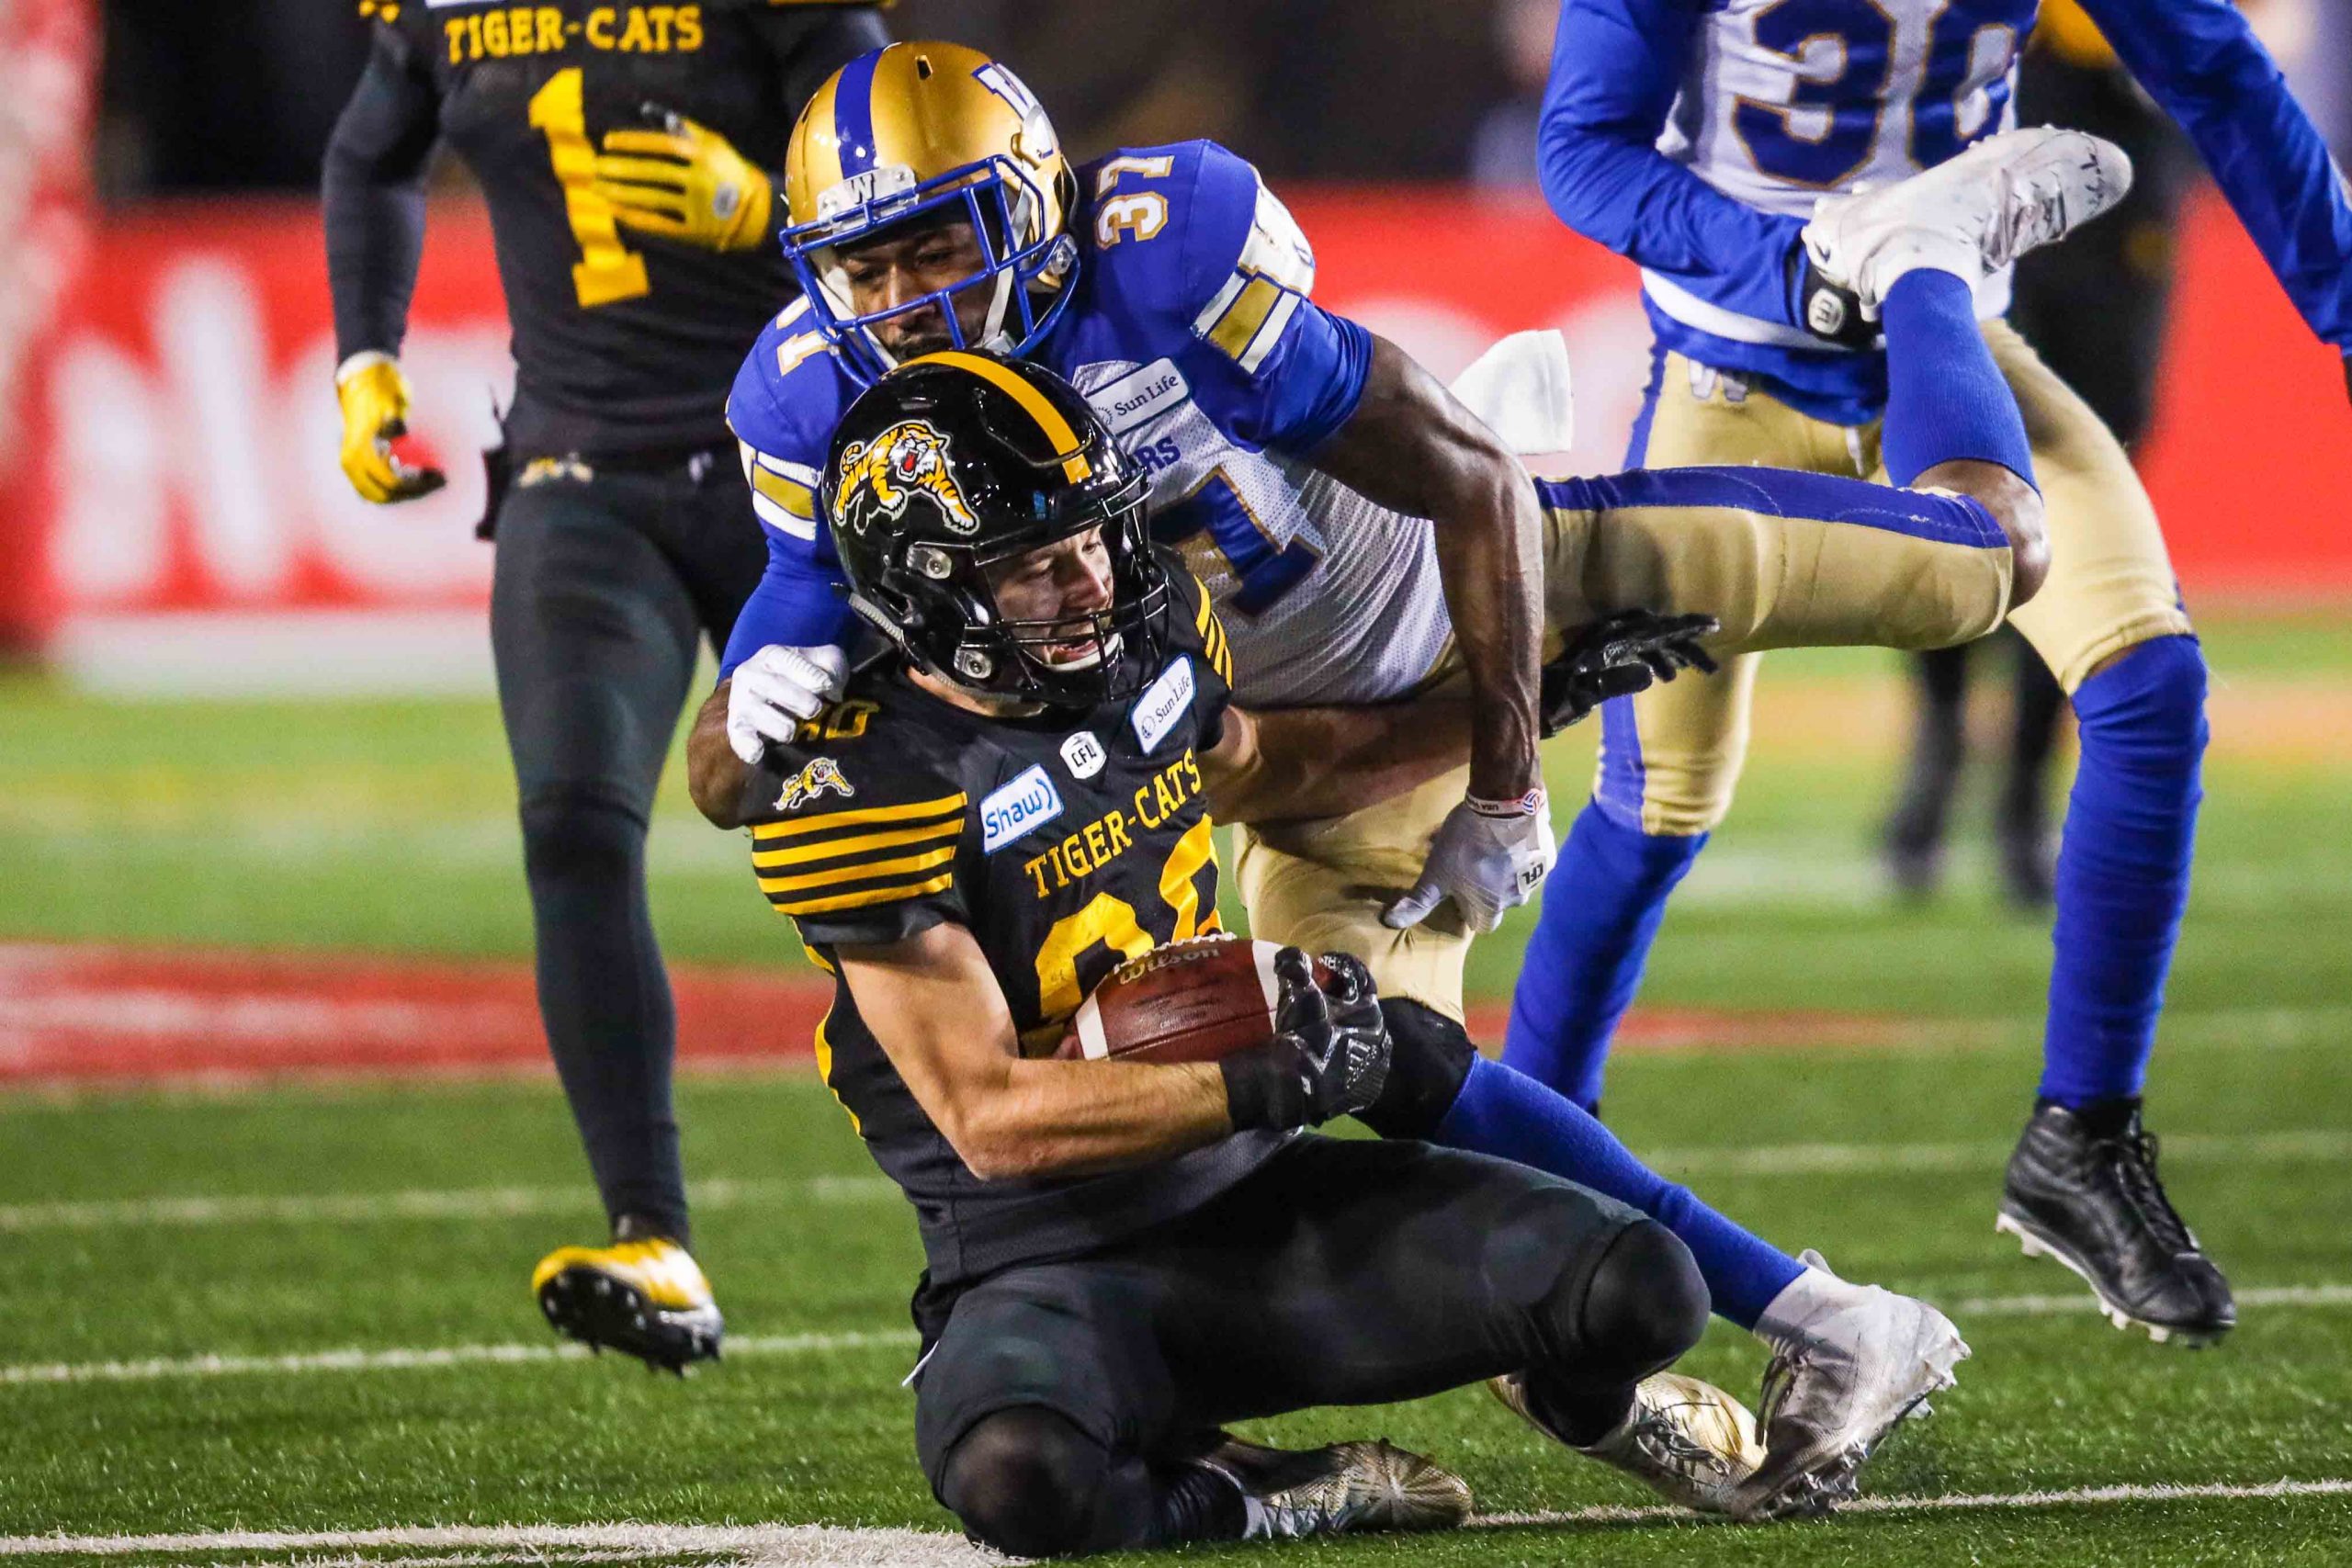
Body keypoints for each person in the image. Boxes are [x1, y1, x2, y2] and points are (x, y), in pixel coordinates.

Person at [729, 350, 1864, 1551]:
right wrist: (1272, 1077)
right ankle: (1257, 1488)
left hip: (1255, 1192)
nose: (1087, 583)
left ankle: (1599, 1407)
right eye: (1033, 566)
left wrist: (1513, 700)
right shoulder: (866, 786)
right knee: (1021, 1476)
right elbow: (990, 1116)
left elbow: (1274, 766)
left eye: (1095, 539)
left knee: (1642, 1287)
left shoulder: (1147, 632)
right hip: (1048, 1261)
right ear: (929, 590)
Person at [1520, 0, 2352, 1348]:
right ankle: (1531, 1154)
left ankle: (2082, 1136)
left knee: (2151, 685)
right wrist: (1795, 266)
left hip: (1947, 354)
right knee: (1661, 799)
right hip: (1737, 370)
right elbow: (1586, 149)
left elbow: (2215, 71)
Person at [321, 0, 888, 1370]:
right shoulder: (444, 13)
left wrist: (766, 209)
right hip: (585, 473)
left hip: (797, 465)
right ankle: (655, 1232)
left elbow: (916, 179)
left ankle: (1081, 1184)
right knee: (573, 825)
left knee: (944, 822)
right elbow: (369, 153)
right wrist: (365, 354)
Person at [1882, 0, 2197, 908]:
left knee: (2074, 536)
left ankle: (2022, 795)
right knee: (1953, 507)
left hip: (2118, 248)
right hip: (1989, 249)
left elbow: (2247, 43)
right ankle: (1940, 739)